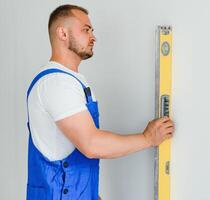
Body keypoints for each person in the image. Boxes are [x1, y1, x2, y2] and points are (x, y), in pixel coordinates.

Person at [26, 4, 174, 200]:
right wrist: (147, 138)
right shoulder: (56, 83)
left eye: (92, 31)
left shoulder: (73, 81)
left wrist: (91, 195)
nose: (93, 37)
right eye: (85, 30)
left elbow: (69, 152)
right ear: (62, 33)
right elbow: (91, 144)